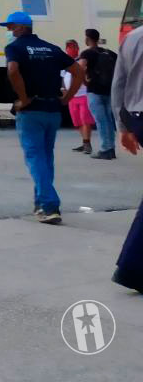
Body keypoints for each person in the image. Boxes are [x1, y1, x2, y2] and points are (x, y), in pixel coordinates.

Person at [3, 10, 82, 224]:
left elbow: (12, 71)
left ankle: (49, 206)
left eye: (10, 27)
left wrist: (23, 98)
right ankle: (40, 203)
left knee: (35, 157)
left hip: (31, 111)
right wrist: (67, 98)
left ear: (21, 27)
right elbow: (78, 71)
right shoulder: (51, 48)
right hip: (52, 110)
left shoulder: (15, 47)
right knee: (46, 158)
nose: (9, 31)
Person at [111, 24, 143, 291]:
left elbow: (118, 84)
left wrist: (123, 127)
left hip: (137, 117)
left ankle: (132, 269)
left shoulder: (133, 37)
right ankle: (133, 269)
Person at [80, 29, 117, 160]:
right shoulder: (109, 53)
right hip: (108, 90)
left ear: (87, 39)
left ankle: (105, 149)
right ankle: (111, 148)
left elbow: (80, 68)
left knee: (100, 121)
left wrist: (85, 82)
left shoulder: (87, 53)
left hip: (94, 90)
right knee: (108, 120)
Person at [63, 40, 95, 155]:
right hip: (72, 97)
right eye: (69, 46)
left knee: (85, 120)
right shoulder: (65, 62)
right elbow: (63, 78)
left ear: (77, 48)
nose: (71, 49)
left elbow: (86, 77)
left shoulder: (81, 61)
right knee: (77, 122)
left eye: (73, 46)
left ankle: (87, 144)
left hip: (83, 95)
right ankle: (85, 142)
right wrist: (64, 91)